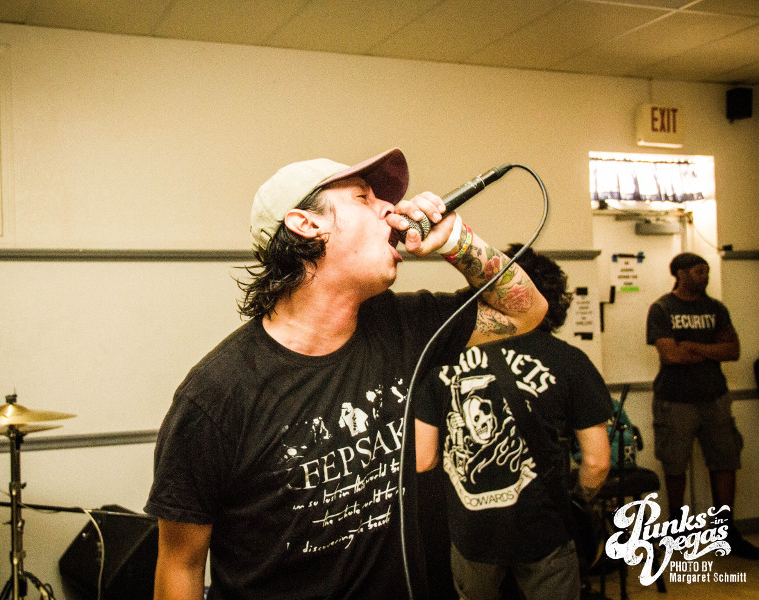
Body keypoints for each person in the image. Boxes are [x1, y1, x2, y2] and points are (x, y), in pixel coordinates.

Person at [144, 148, 548, 600]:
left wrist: (457, 240)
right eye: (363, 198)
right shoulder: (217, 395)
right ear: (306, 224)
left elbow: (526, 312)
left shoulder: (401, 326)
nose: (391, 209)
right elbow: (180, 564)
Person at [415, 245, 612, 600]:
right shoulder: (570, 361)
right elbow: (597, 463)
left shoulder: (439, 362)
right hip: (545, 531)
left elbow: (423, 458)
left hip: (472, 533)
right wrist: (578, 500)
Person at [646, 251, 759, 559]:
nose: (705, 276)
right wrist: (711, 350)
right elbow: (671, 355)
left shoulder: (716, 308)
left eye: (706, 271)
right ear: (680, 274)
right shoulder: (662, 308)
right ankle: (677, 529)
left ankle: (726, 531)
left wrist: (693, 346)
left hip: (715, 397)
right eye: (699, 271)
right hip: (675, 399)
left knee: (725, 460)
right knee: (674, 463)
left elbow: (733, 350)